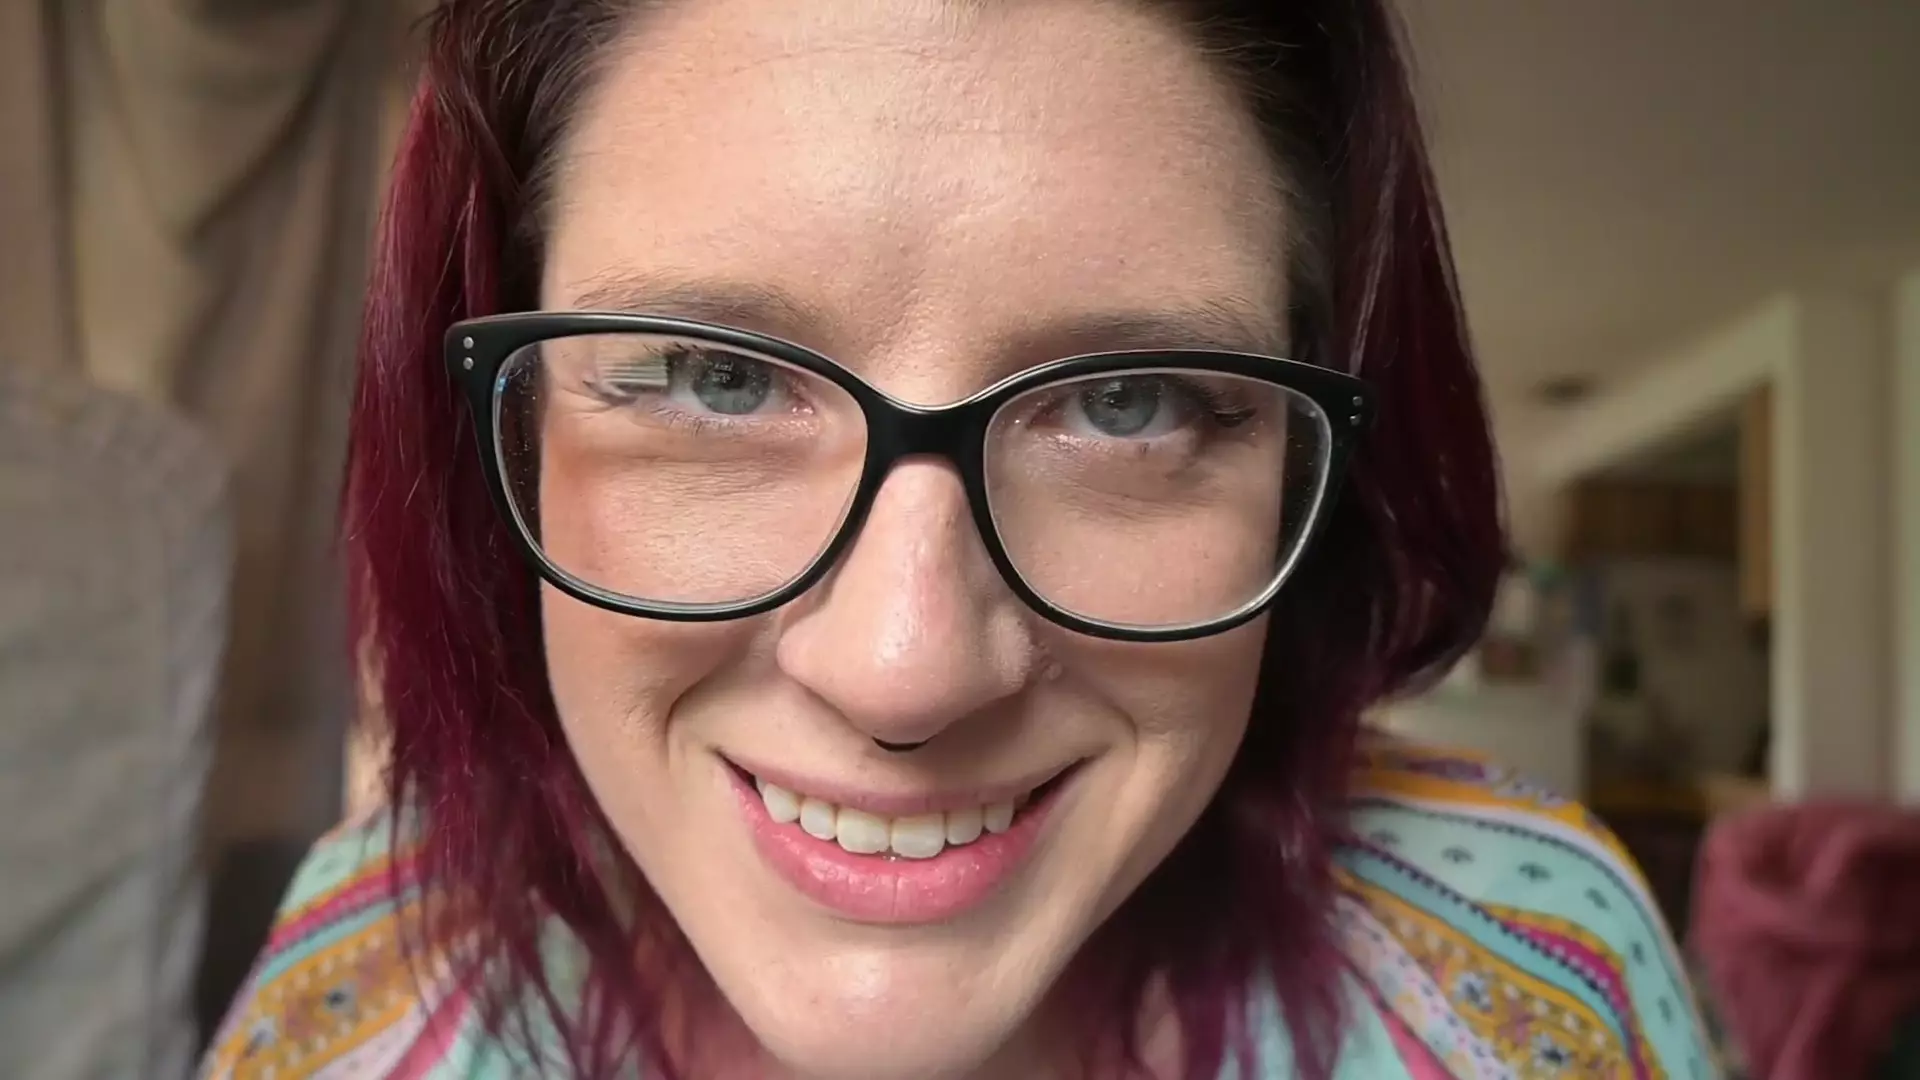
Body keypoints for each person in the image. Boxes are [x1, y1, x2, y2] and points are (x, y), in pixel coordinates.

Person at [203, 0, 1719, 1076]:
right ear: (502, 427)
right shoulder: (363, 977)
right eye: (718, 379)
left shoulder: (1531, 972)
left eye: (1127, 403)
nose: (905, 668)